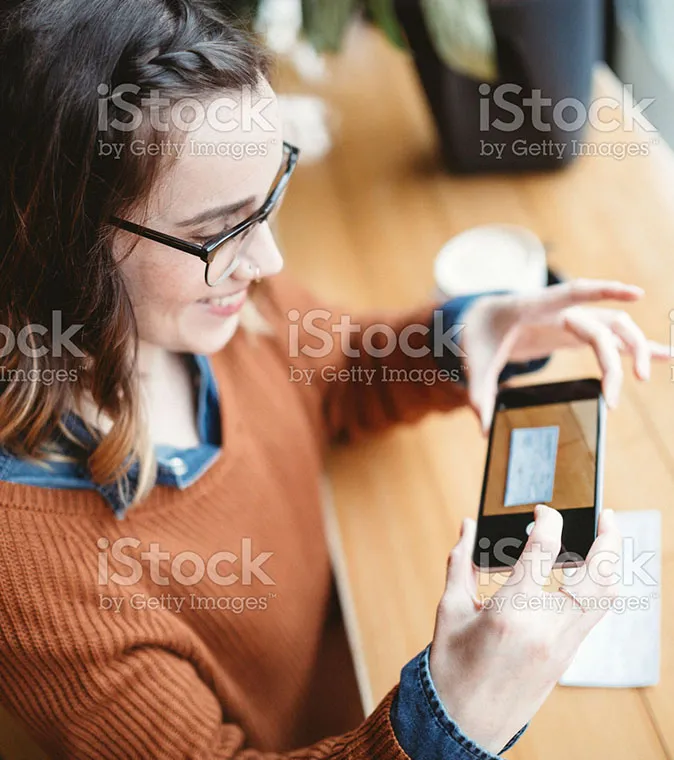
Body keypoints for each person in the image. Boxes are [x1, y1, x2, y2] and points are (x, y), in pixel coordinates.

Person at [0, 1, 668, 758]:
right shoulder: (32, 582)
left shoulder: (197, 308)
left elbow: (335, 370)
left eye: (269, 198)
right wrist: (452, 722)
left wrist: (457, 337)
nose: (270, 264)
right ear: (57, 242)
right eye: (215, 232)